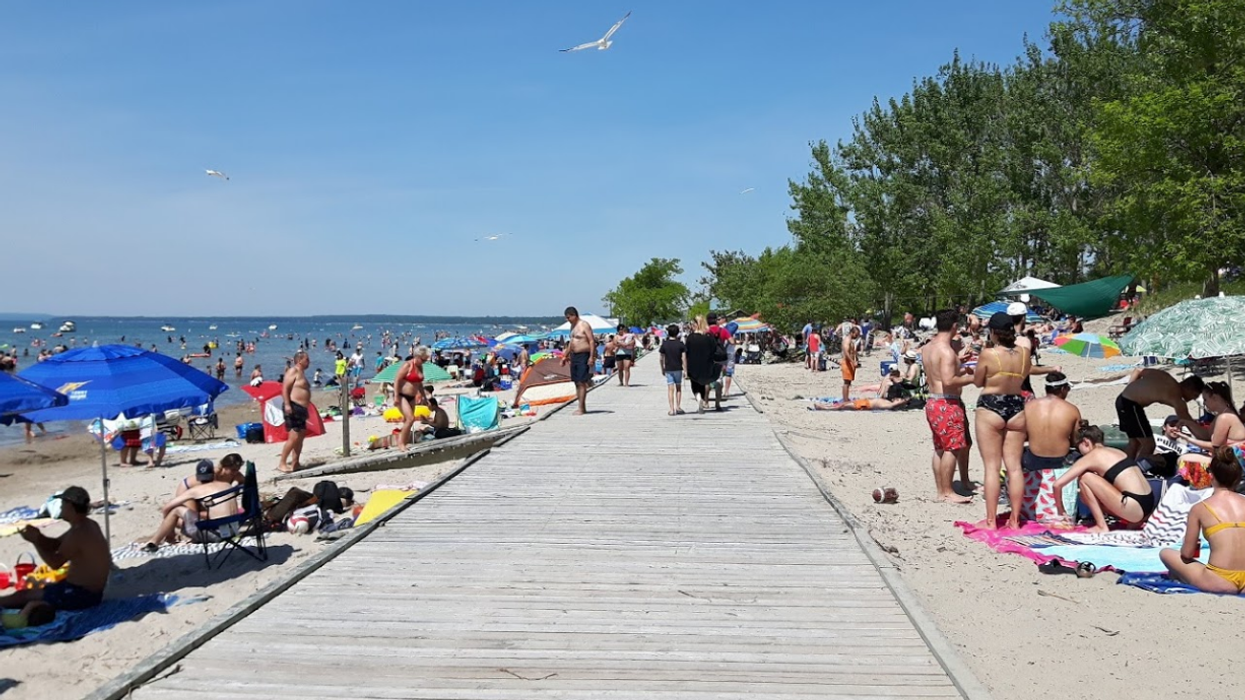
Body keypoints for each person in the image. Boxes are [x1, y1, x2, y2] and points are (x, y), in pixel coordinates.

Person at [0, 487, 111, 621]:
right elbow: (55, 544)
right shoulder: (87, 525)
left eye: (63, 504)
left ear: (70, 506)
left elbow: (54, 563)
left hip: (82, 595)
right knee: (34, 590)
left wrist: (35, 541)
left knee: (23, 596)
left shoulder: (79, 533)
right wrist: (38, 536)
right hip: (86, 591)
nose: (60, 507)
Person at [974, 312, 1031, 529]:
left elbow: (978, 381)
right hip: (1016, 405)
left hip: (991, 405)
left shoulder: (989, 354)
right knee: (1014, 467)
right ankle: (1014, 520)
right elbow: (1023, 377)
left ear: (993, 332)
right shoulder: (1024, 353)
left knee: (992, 467)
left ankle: (991, 521)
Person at [1160, 446, 1245, 593]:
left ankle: (1180, 578)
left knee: (1165, 553)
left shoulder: (1200, 508)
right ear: (1238, 478)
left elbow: (1187, 554)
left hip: (1219, 581)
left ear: (1211, 476)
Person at [1053, 423, 1156, 533]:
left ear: (1086, 442)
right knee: (1090, 491)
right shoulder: (1117, 452)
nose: (1080, 453)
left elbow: (1057, 485)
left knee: (1085, 478)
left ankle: (1101, 526)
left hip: (1133, 507)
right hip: (1148, 506)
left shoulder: (1093, 455)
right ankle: (1133, 521)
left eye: (1079, 448)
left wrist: (1061, 510)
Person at [921, 309, 976, 505]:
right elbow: (948, 380)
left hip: (933, 401)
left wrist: (959, 361)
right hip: (947, 402)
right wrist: (973, 377)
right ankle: (947, 491)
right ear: (954, 326)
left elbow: (939, 371)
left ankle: (941, 490)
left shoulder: (928, 347)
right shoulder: (946, 351)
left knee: (940, 448)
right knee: (952, 448)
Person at [1116, 368, 1205, 462]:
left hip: (1122, 400)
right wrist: (1206, 440)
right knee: (1149, 445)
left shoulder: (1165, 377)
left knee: (1135, 443)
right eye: (1194, 395)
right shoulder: (1176, 398)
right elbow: (1189, 422)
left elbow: (1138, 370)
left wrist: (1129, 388)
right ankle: (1137, 469)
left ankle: (1123, 467)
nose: (1192, 399)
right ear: (1189, 388)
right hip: (1131, 405)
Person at [142, 469, 240, 551]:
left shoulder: (196, 490)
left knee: (177, 510)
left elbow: (166, 508)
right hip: (234, 531)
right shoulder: (227, 485)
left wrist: (171, 532)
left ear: (198, 478)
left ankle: (154, 542)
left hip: (217, 535)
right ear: (213, 475)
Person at [1022, 373, 1081, 472]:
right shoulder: (1072, 410)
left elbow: (1023, 435)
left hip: (1034, 461)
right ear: (1063, 389)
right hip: (1061, 461)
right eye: (1068, 389)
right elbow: (1076, 441)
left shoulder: (1028, 407)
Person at [279, 350, 311, 473]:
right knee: (294, 437)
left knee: (300, 437)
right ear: (300, 360)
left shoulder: (302, 373)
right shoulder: (293, 371)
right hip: (293, 406)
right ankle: (282, 463)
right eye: (307, 359)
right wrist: (287, 404)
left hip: (302, 409)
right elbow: (285, 389)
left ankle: (295, 463)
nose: (309, 362)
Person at [560, 307, 595, 415]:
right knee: (576, 382)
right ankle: (581, 406)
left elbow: (591, 341)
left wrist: (591, 357)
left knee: (581, 382)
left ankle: (581, 408)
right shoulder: (572, 326)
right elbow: (571, 343)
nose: (567, 320)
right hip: (574, 356)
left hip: (583, 355)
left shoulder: (584, 325)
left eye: (568, 317)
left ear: (574, 315)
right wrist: (564, 356)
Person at [394, 348, 430, 450]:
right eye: (423, 359)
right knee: (410, 419)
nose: (424, 362)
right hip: (402, 396)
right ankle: (401, 444)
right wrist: (396, 396)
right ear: (417, 357)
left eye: (425, 360)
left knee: (408, 421)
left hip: (412, 397)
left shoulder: (420, 367)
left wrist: (424, 397)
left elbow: (419, 384)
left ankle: (404, 442)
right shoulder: (408, 365)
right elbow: (397, 380)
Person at [685, 316, 721, 413]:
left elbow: (686, 352)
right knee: (703, 383)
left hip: (693, 365)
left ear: (696, 324)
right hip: (706, 364)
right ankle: (703, 398)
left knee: (695, 384)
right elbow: (714, 350)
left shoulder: (690, 338)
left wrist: (685, 368)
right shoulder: (709, 337)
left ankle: (698, 398)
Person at [176, 454, 244, 497]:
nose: (236, 472)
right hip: (186, 487)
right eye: (233, 469)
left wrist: (236, 490)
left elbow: (244, 482)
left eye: (238, 469)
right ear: (225, 466)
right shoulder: (214, 473)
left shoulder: (236, 474)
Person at [659, 324, 687, 416]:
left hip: (669, 368)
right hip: (678, 368)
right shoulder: (680, 344)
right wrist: (685, 370)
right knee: (678, 388)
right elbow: (684, 358)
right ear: (677, 333)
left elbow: (661, 358)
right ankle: (678, 407)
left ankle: (671, 409)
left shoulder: (665, 344)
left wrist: (662, 368)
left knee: (670, 389)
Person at [841, 326, 860, 402]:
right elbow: (846, 353)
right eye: (856, 334)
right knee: (846, 382)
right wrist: (853, 361)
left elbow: (853, 352)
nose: (856, 336)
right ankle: (845, 400)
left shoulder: (851, 341)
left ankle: (846, 398)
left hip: (851, 363)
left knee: (849, 382)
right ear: (852, 333)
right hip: (847, 363)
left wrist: (856, 360)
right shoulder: (847, 340)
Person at [813, 396, 909, 411]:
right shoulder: (887, 401)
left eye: (898, 400)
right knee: (843, 404)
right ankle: (824, 406)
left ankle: (823, 408)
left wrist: (905, 401)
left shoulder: (888, 405)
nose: (897, 399)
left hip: (865, 405)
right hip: (864, 402)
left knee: (842, 406)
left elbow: (894, 405)